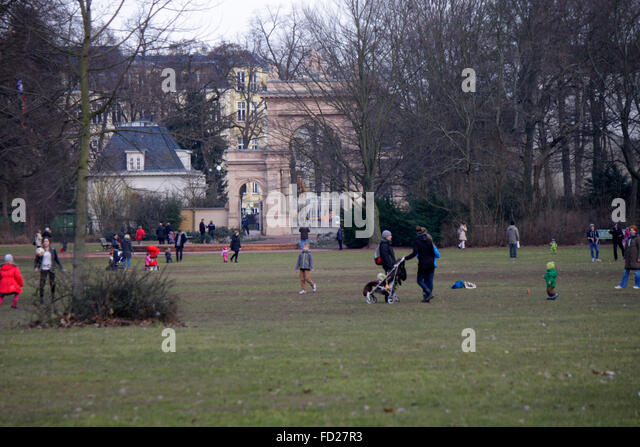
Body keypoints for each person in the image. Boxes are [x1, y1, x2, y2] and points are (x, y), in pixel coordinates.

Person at [405, 226, 437, 303]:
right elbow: (433, 253)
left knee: (419, 280)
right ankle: (427, 298)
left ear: (417, 232)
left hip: (423, 264)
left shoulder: (417, 241)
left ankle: (429, 293)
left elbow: (414, 253)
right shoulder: (429, 240)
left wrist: (405, 258)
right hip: (431, 263)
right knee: (430, 281)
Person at [34, 237, 64, 302]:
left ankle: (53, 297)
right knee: (42, 284)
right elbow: (36, 260)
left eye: (47, 241)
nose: (45, 242)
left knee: (52, 283)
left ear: (49, 242)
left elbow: (57, 259)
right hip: (43, 269)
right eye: (44, 241)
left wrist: (61, 267)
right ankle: (41, 298)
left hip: (51, 269)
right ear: (43, 242)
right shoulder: (40, 250)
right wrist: (36, 267)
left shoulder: (53, 249)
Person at [615, 225, 640, 289]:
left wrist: (639, 257)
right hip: (628, 260)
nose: (632, 231)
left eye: (633, 230)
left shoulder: (638, 238)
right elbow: (626, 249)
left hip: (636, 259)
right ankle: (622, 285)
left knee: (637, 273)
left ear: (635, 231)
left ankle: (637, 285)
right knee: (625, 272)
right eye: (631, 230)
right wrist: (625, 257)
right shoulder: (628, 238)